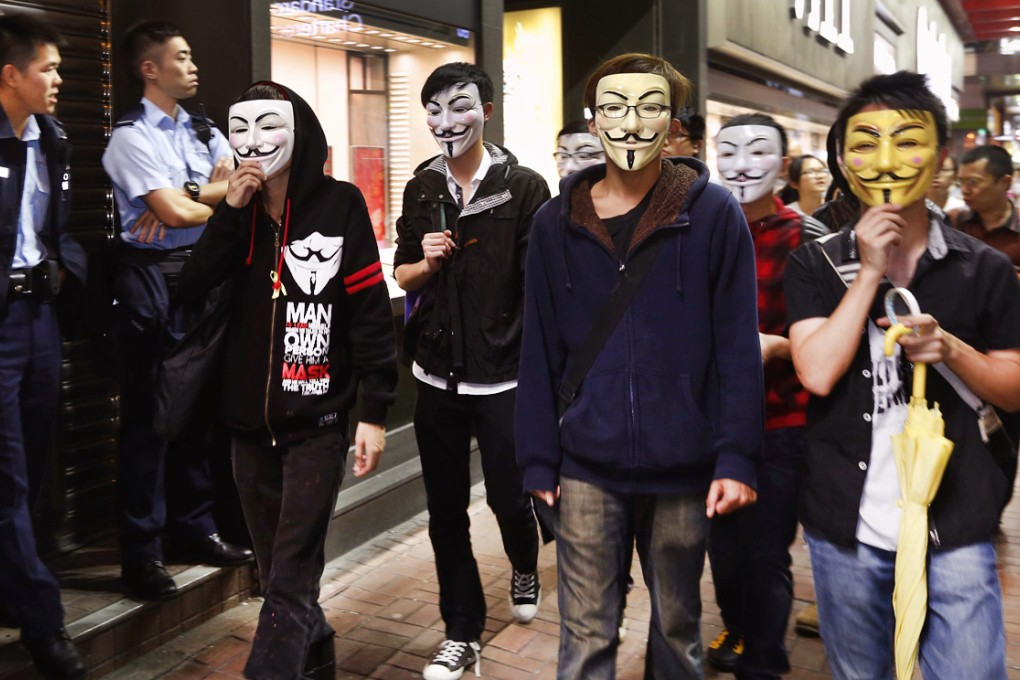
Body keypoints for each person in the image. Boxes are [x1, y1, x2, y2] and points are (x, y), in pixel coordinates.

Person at [516, 52, 763, 679]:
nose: (632, 123)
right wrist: (538, 456)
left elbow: (737, 344)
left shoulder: (713, 214)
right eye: (615, 108)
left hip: (685, 465)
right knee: (585, 634)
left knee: (678, 630)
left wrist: (736, 456)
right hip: (586, 467)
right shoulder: (553, 223)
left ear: (673, 122)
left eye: (650, 107)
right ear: (593, 120)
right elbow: (539, 346)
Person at [785, 70, 1020, 680]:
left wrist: (951, 349)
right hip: (846, 522)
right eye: (863, 143)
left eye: (908, 141)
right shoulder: (815, 262)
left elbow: (1013, 383)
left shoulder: (984, 268)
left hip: (958, 519)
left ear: (941, 157)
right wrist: (867, 273)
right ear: (840, 157)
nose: (885, 160)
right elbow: (815, 370)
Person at [176, 80, 397, 680]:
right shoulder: (238, 217)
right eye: (241, 128)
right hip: (246, 425)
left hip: (318, 422)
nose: (253, 141)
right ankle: (317, 650)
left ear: (298, 132)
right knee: (279, 572)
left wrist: (374, 410)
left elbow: (370, 311)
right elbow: (191, 287)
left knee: (292, 571)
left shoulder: (339, 203)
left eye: (268, 126)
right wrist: (231, 211)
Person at [392, 62, 550, 680]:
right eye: (433, 109)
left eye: (458, 107)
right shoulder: (420, 187)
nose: (444, 121)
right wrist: (424, 263)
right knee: (445, 510)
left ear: (486, 110)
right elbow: (401, 275)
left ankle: (524, 560)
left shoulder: (525, 187)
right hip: (435, 377)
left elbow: (540, 291)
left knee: (511, 499)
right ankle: (462, 631)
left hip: (504, 377)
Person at [101, 20, 251, 602]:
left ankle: (194, 529)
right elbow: (176, 214)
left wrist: (189, 195)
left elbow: (246, 190)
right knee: (149, 422)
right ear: (149, 68)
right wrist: (207, 194)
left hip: (207, 276)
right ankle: (142, 554)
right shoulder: (130, 138)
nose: (193, 67)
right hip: (154, 282)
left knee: (199, 415)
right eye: (181, 58)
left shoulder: (206, 128)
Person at [0, 14, 88, 680]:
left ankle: (14, 591)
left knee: (34, 458)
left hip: (40, 319)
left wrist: (65, 269)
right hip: (2, 326)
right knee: (9, 474)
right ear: (12, 75)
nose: (59, 80)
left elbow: (59, 229)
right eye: (49, 69)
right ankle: (44, 627)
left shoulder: (53, 138)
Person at [706, 113, 807, 679]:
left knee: (767, 550)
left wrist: (778, 347)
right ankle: (739, 626)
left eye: (758, 152)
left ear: (784, 166)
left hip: (781, 420)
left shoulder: (806, 241)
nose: (742, 165)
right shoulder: (705, 230)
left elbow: (826, 344)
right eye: (730, 152)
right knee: (722, 546)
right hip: (714, 422)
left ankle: (766, 658)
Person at [952, 145, 1020, 271]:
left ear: (1005, 183)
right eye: (961, 182)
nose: (964, 191)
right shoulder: (956, 221)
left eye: (973, 182)